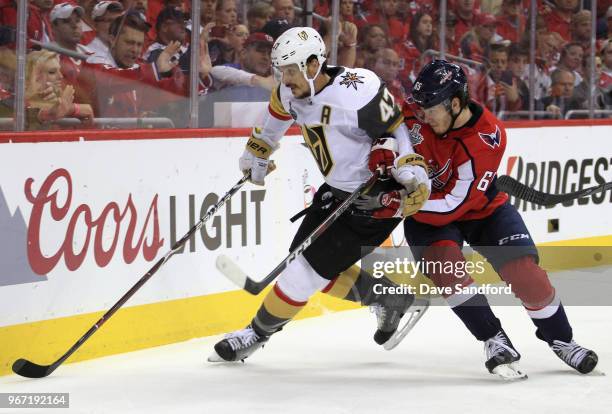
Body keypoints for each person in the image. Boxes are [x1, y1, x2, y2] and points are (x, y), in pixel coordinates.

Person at [208, 26, 431, 363]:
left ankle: (255, 333)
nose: (285, 78)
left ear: (314, 65)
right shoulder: (288, 91)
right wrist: (257, 151)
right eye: (281, 71)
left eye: (291, 70)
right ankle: (389, 298)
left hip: (375, 196)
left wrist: (411, 168)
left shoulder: (359, 89)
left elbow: (397, 129)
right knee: (307, 259)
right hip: (337, 192)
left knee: (304, 271)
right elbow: (273, 122)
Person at [402, 59, 598, 379]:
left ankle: (562, 340)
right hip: (427, 214)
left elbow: (453, 205)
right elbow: (381, 120)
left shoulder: (486, 137)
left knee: (526, 275)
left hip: (480, 209)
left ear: (455, 103)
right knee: (446, 270)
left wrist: (399, 205)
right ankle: (494, 339)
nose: (422, 114)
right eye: (420, 105)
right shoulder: (419, 109)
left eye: (431, 108)